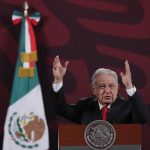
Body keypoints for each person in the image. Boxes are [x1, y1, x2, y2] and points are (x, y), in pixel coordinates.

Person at [51, 55, 149, 124]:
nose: (107, 90)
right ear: (93, 89)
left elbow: (142, 118)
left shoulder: (128, 107)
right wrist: (58, 81)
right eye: (102, 86)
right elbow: (60, 109)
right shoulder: (84, 106)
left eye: (111, 86)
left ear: (118, 88)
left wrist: (129, 86)